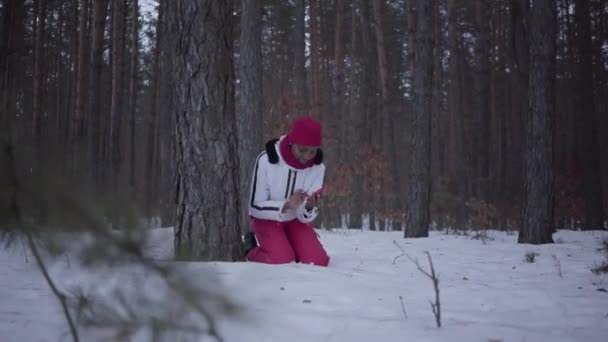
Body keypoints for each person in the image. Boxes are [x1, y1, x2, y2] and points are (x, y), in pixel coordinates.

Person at [243, 116, 329, 266]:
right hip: (266, 219)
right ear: (292, 142)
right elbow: (255, 206)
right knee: (281, 260)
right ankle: (249, 251)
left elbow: (306, 216)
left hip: (295, 220)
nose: (307, 156)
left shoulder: (318, 168)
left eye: (312, 152)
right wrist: (287, 205)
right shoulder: (266, 160)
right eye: (302, 150)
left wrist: (309, 207)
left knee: (318, 261)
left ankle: (290, 248)